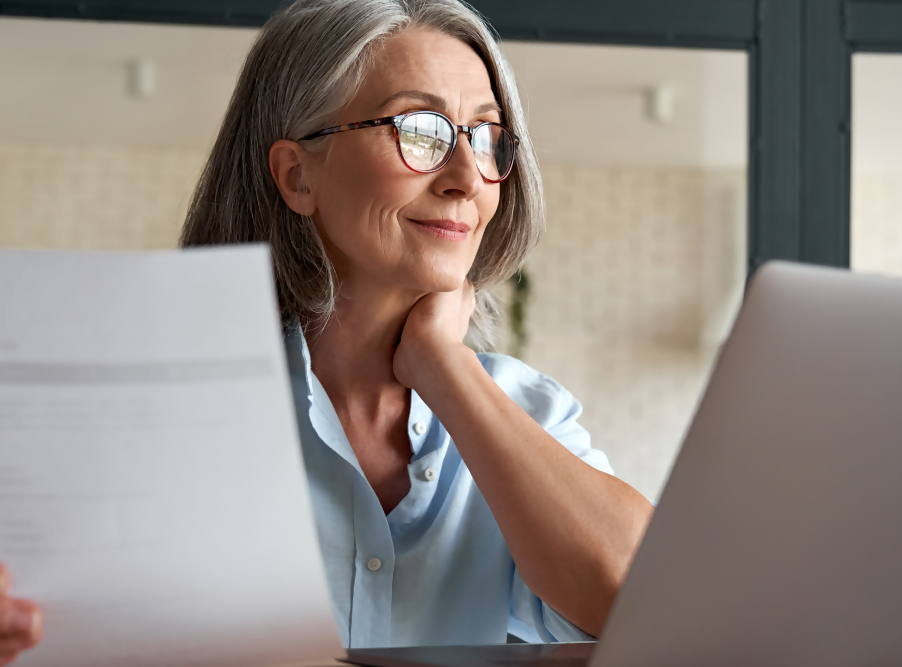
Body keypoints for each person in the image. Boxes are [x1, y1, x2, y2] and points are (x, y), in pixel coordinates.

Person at [0, 0, 654, 661]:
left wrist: (444, 366)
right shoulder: (150, 407)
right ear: (297, 174)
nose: (465, 179)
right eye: (420, 131)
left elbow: (645, 602)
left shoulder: (530, 409)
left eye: (486, 137)